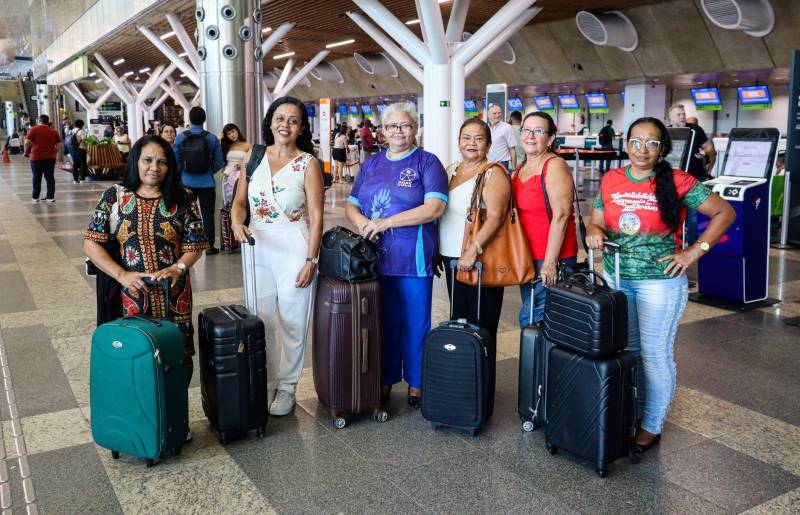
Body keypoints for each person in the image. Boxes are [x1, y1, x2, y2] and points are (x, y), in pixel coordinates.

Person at [586, 117, 735, 453]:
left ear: (663, 148)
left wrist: (694, 251)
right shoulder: (611, 179)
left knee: (655, 355)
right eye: (636, 142)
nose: (643, 149)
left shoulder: (679, 180)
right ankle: (636, 411)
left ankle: (652, 426)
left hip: (659, 283)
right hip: (617, 278)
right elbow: (597, 221)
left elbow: (724, 213)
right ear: (626, 145)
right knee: (631, 351)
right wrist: (594, 231)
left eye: (652, 143)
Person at [345, 101, 448, 407]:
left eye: (405, 125)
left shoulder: (427, 162)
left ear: (415, 129)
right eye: (392, 126)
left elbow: (434, 208)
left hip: (413, 257)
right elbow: (351, 205)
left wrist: (385, 222)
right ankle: (388, 376)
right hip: (375, 258)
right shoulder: (371, 164)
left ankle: (416, 381)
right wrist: (363, 223)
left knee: (416, 321)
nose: (398, 131)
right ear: (383, 131)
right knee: (384, 321)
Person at [84, 135, 210, 386]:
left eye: (162, 162)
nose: (154, 167)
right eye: (147, 160)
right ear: (136, 161)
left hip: (174, 294)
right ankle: (143, 408)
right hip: (130, 295)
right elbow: (91, 243)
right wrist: (122, 275)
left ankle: (174, 407)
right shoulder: (115, 196)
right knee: (134, 354)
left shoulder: (184, 198)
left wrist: (178, 267)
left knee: (179, 356)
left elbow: (195, 245)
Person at [230, 97, 324, 416]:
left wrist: (311, 260)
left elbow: (316, 216)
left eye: (293, 120)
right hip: (257, 243)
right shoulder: (254, 156)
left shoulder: (308, 164)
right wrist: (236, 222)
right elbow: (240, 202)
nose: (285, 125)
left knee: (294, 320)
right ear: (270, 122)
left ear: (302, 128)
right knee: (261, 318)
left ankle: (287, 386)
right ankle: (266, 379)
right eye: (280, 118)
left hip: (294, 244)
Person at [438, 118, 510, 417]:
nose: (471, 143)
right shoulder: (452, 169)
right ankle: (463, 385)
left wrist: (472, 249)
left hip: (479, 262)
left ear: (489, 144)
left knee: (482, 327)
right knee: (460, 322)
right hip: (452, 258)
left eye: (478, 138)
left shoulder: (493, 173)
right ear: (458, 141)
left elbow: (496, 217)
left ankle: (482, 395)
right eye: (466, 137)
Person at [513, 112, 578, 326]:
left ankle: (539, 351)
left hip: (551, 257)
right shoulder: (521, 168)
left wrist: (550, 262)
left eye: (538, 131)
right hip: (527, 256)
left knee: (535, 318)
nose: (530, 136)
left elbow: (562, 215)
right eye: (526, 130)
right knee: (535, 316)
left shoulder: (555, 166)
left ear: (550, 139)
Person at [173, 106, 225, 255]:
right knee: (207, 214)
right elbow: (219, 162)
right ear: (204, 120)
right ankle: (209, 246)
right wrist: (208, 171)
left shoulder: (181, 137)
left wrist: (183, 172)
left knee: (185, 213)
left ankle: (186, 244)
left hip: (186, 181)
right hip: (207, 182)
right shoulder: (211, 138)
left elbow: (175, 159)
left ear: (190, 120)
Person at [668, 104, 717, 245]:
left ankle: (693, 246)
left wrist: (708, 169)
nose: (682, 117)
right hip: (674, 179)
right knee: (672, 214)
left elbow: (710, 149)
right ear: (670, 117)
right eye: (678, 114)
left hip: (694, 178)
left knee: (694, 215)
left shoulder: (695, 129)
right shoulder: (666, 131)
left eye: (683, 114)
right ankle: (674, 243)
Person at [24, 115, 61, 203]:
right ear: (47, 121)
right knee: (50, 177)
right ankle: (50, 197)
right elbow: (59, 145)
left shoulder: (33, 129)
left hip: (36, 157)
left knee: (36, 177)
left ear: (39, 120)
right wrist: (54, 152)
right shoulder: (53, 131)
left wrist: (25, 152)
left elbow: (27, 142)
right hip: (50, 157)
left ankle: (35, 197)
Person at [219, 123, 252, 206]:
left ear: (237, 131)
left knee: (242, 201)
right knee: (229, 202)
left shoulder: (247, 145)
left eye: (233, 131)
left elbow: (254, 160)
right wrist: (219, 139)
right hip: (227, 176)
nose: (232, 135)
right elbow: (217, 157)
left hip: (242, 176)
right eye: (229, 134)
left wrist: (244, 163)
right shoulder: (226, 146)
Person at [487, 104, 517, 172]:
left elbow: (512, 149)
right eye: (494, 113)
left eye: (499, 113)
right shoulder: (486, 128)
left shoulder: (507, 127)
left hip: (502, 164)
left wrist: (513, 169)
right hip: (488, 163)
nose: (497, 115)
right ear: (489, 115)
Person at [68, 119, 88, 183]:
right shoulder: (81, 131)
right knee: (82, 164)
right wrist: (87, 149)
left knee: (75, 164)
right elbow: (83, 141)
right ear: (82, 125)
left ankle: (75, 179)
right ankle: (82, 179)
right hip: (81, 149)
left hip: (73, 149)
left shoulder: (71, 131)